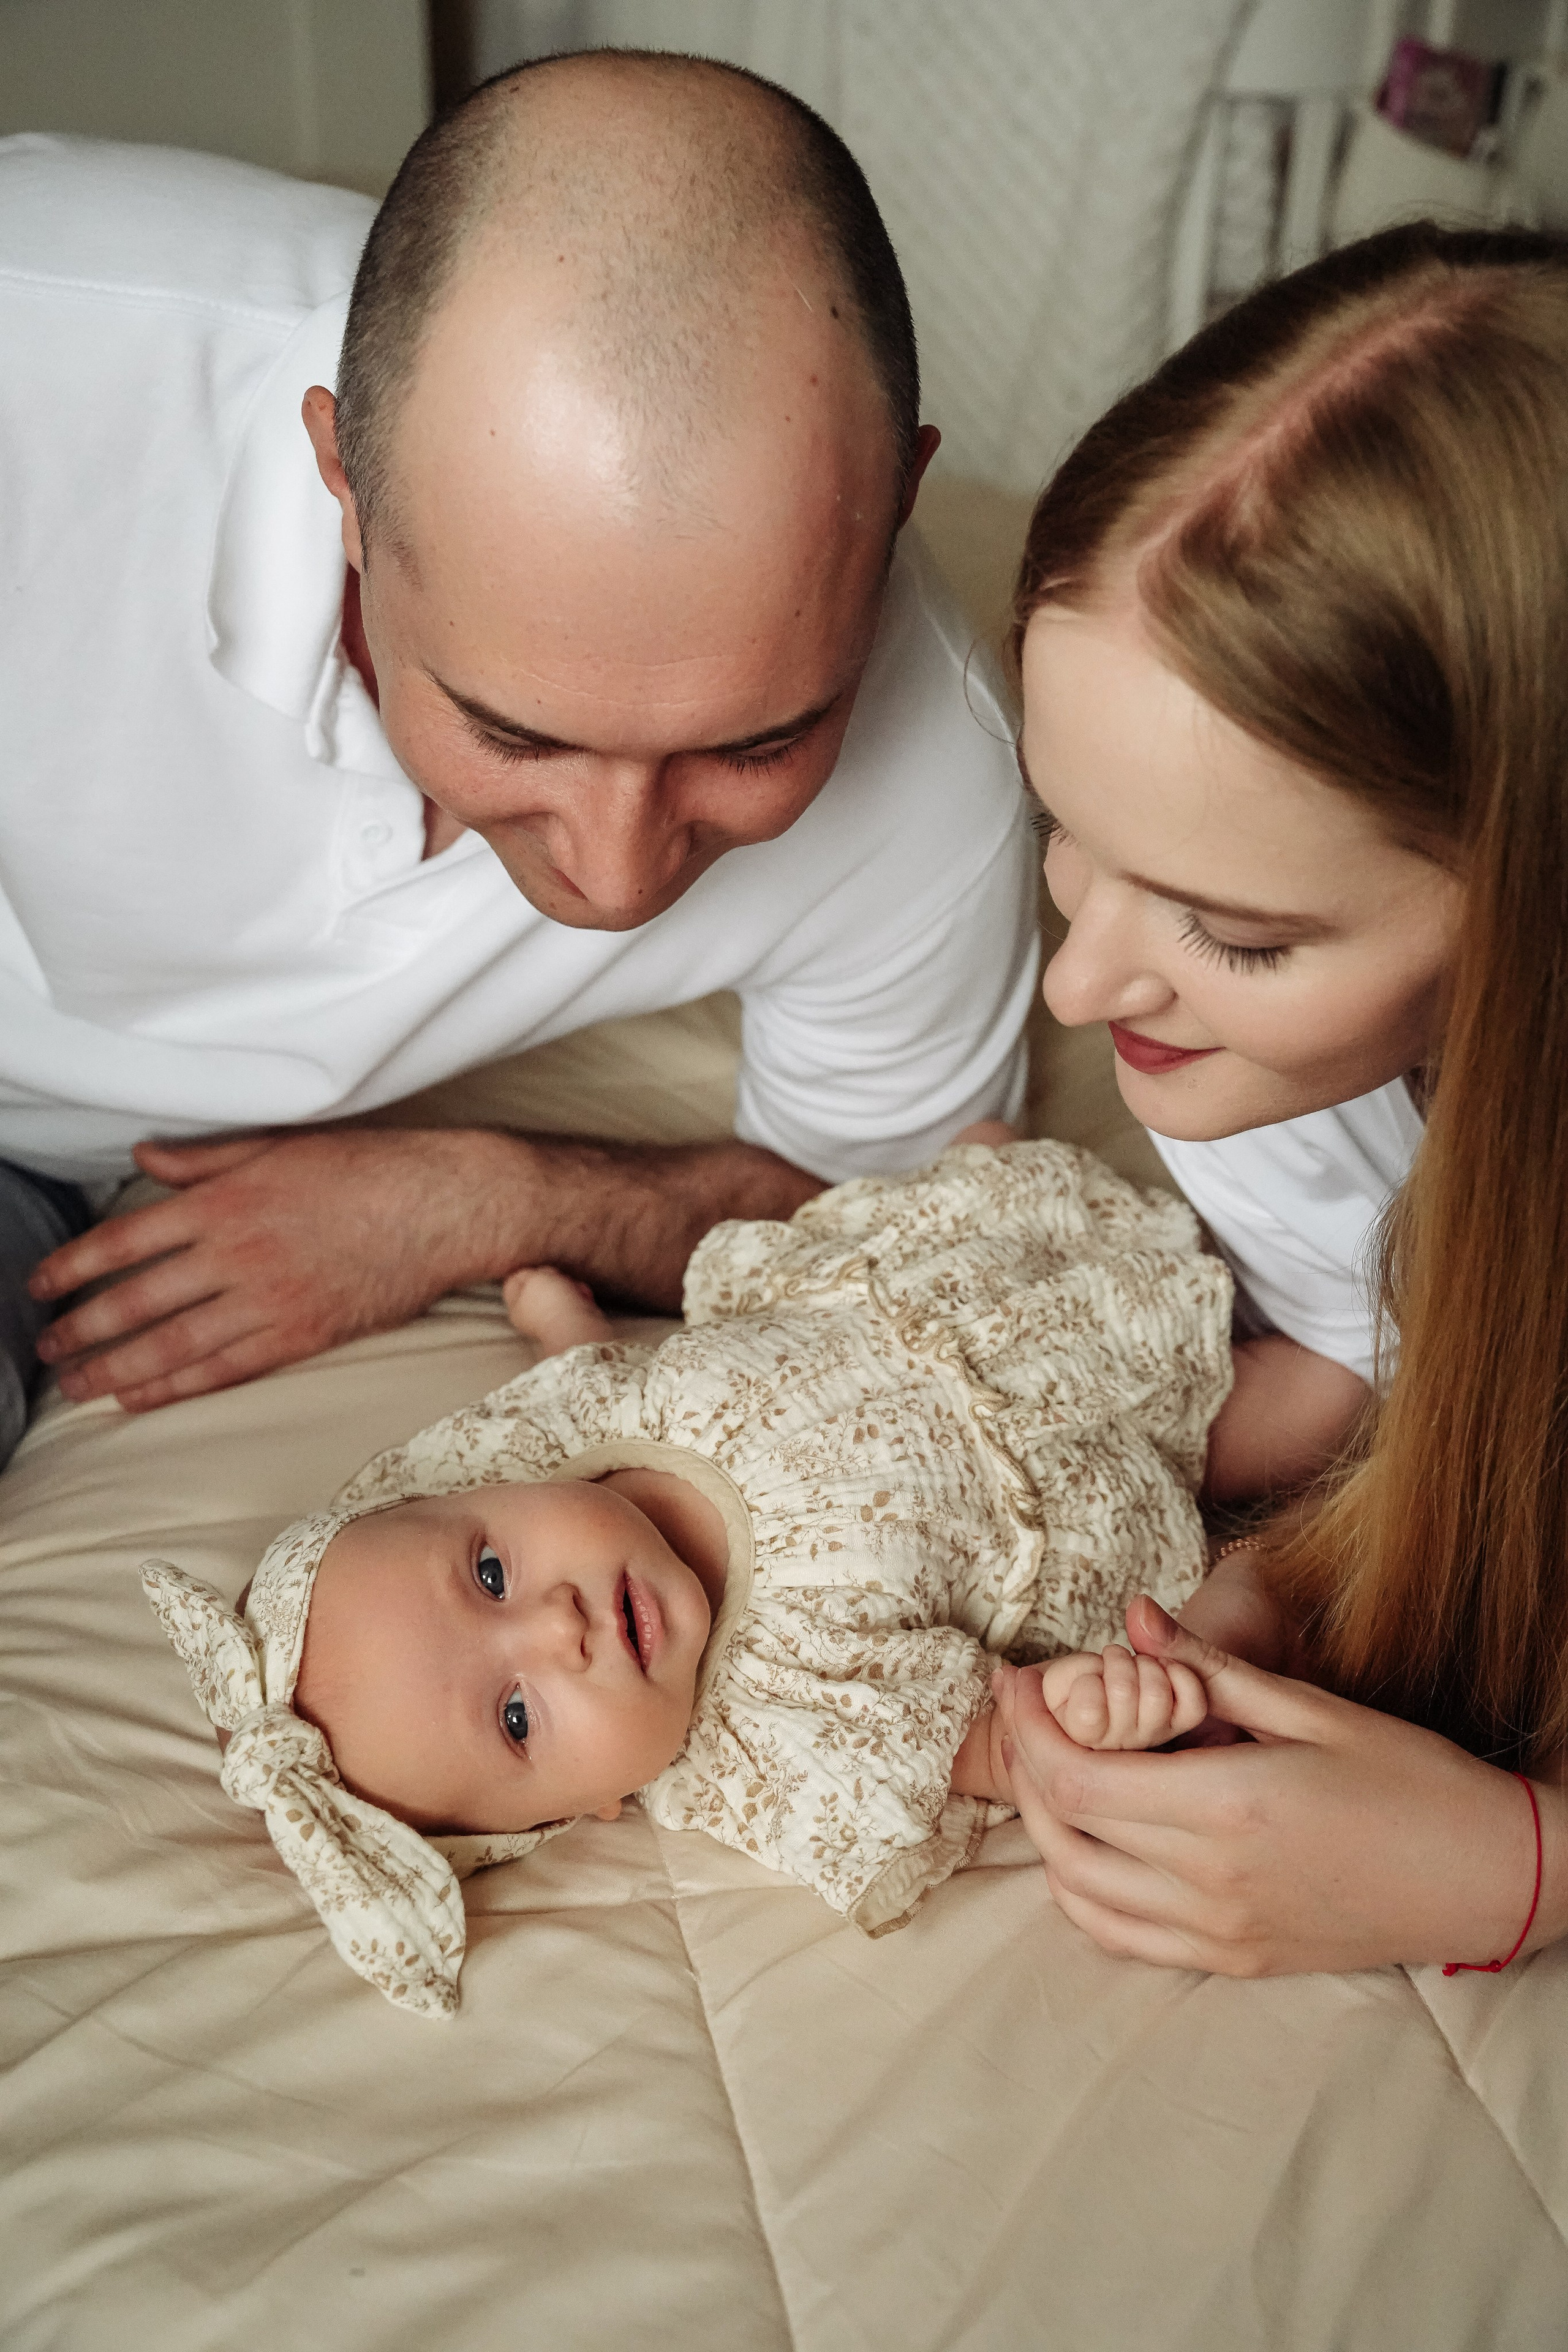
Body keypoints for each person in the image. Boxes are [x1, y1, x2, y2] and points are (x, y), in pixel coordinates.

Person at [0, 50, 1036, 1468]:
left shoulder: (942, 761)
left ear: (899, 499)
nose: (616, 881)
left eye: (755, 743)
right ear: (345, 490)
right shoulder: (37, 370)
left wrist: (481, 1200)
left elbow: (911, 1236)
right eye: (511, 733)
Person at [995, 221, 1568, 1977]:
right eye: (1069, 836)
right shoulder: (1265, 1074)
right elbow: (1411, 1389)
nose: (1079, 989)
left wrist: (1520, 1871)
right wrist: (1248, 1617)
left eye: (1236, 933)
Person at [141, 1135, 1234, 2016]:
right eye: (518, 1719)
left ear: (478, 1484)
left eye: (487, 1574)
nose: (557, 1629)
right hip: (1106, 1458)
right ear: (589, 1809)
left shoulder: (587, 1435)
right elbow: (984, 1740)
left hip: (952, 1293)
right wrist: (1079, 1715)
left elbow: (588, 1373)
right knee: (1294, 1410)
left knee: (997, 1161)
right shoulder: (774, 1739)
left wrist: (553, 1315)